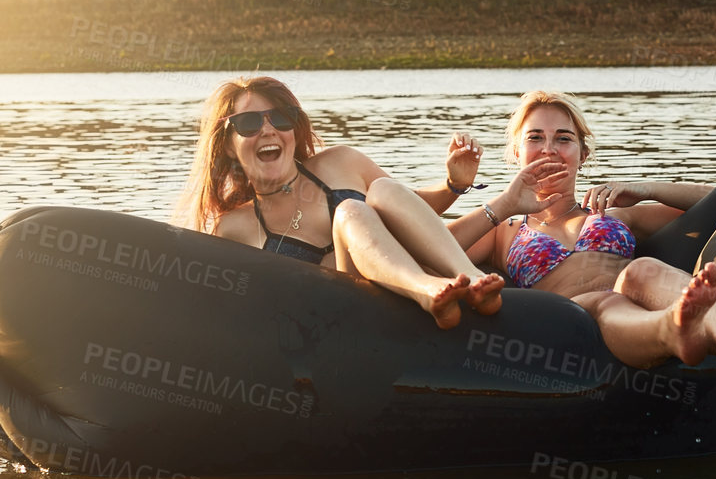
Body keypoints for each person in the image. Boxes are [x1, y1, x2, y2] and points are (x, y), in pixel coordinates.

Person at [448, 90, 716, 382]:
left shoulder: (614, 214)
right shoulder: (502, 229)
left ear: (582, 154)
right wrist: (503, 204)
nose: (549, 150)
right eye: (535, 138)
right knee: (605, 301)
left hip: (638, 289)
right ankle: (674, 329)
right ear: (516, 153)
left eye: (563, 139)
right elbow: (431, 244)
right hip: (576, 316)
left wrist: (645, 188)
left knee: (642, 269)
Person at [176, 75, 504, 327]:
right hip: (342, 319)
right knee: (350, 210)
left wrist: (453, 185)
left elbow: (410, 210)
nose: (268, 130)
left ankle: (471, 279)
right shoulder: (233, 227)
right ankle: (428, 291)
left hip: (406, 288)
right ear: (229, 145)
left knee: (384, 191)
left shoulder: (341, 162)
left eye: (280, 118)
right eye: (248, 123)